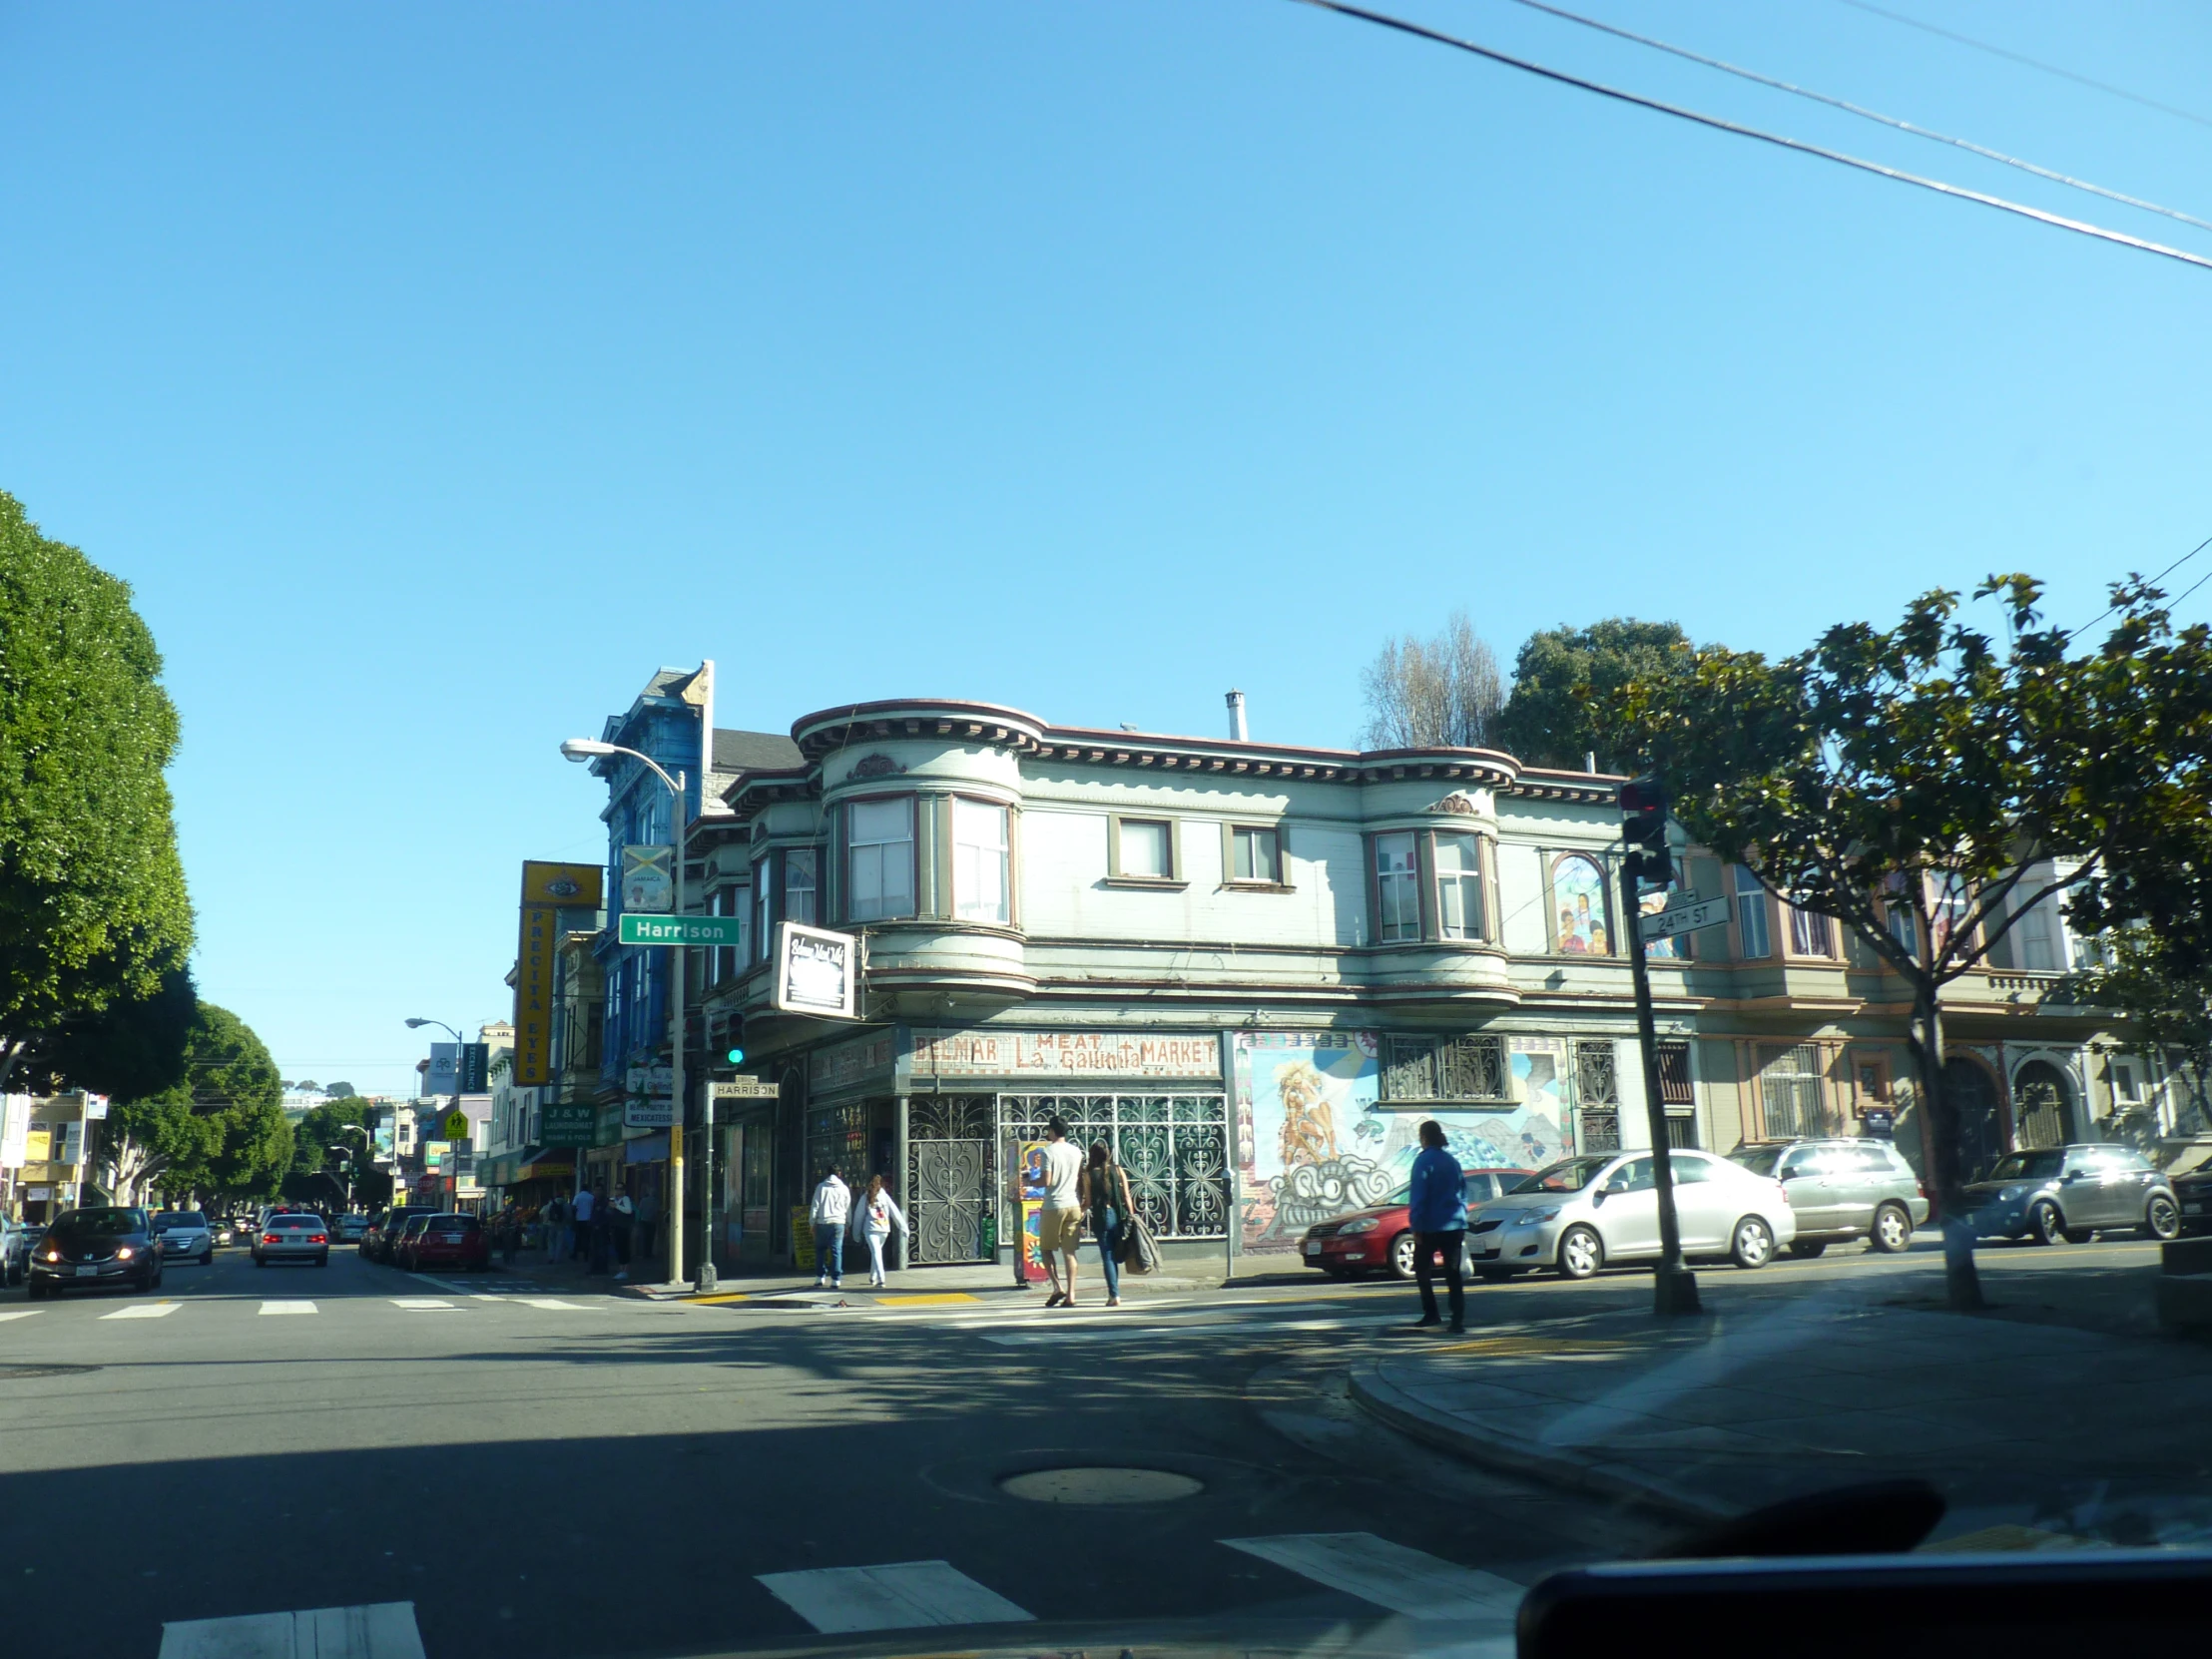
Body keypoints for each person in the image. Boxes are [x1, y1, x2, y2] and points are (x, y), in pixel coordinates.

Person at [1406, 1119, 1468, 1333]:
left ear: (1423, 1138)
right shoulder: (1451, 1161)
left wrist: (1416, 1225)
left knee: (1422, 1269)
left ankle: (1431, 1313)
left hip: (1431, 1226)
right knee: (1453, 1273)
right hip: (1455, 1224)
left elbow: (1419, 1197)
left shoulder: (1423, 1161)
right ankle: (1457, 1319)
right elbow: (1463, 1191)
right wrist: (1462, 1216)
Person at [1078, 1140, 1136, 1309]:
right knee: (1117, 1252)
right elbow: (1126, 1196)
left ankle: (1114, 1294)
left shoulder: (1088, 1175)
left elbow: (1087, 1202)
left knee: (1108, 1257)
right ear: (1108, 1154)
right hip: (1119, 1215)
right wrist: (1132, 1216)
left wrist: (1078, 1214)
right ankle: (1114, 1292)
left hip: (1102, 1218)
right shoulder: (1118, 1170)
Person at [1036, 1116, 1084, 1308]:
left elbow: (1047, 1181)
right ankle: (1071, 1294)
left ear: (1052, 1131)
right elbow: (1079, 1178)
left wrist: (1029, 1181)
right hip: (1073, 1204)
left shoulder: (1049, 1152)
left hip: (1054, 1205)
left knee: (1046, 1249)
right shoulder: (1076, 1151)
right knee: (1069, 1252)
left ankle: (1057, 1286)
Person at [854, 1174, 906, 1289]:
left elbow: (859, 1216)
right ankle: (873, 1276)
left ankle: (881, 1278)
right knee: (876, 1252)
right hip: (884, 1229)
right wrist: (903, 1227)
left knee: (876, 1252)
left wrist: (856, 1233)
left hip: (871, 1229)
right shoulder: (885, 1196)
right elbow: (895, 1212)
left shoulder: (865, 1197)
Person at [809, 1166, 851, 1290]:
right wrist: (848, 1223)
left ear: (827, 1173)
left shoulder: (821, 1187)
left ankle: (819, 1277)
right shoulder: (844, 1189)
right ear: (839, 1173)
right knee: (836, 1251)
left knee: (820, 1250)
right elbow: (847, 1208)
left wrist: (812, 1223)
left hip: (822, 1222)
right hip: (838, 1223)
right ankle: (836, 1279)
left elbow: (815, 1206)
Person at [586, 1182, 612, 1275]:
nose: (597, 1192)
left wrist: (600, 1225)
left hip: (602, 1229)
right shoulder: (593, 1201)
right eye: (595, 1190)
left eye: (599, 1190)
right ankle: (594, 1268)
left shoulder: (605, 1202)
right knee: (593, 1249)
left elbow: (608, 1215)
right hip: (593, 1228)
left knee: (602, 1249)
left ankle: (603, 1269)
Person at [609, 1189, 636, 1281]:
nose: (618, 1191)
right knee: (618, 1248)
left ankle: (625, 1270)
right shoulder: (614, 1200)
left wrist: (616, 1206)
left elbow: (628, 1211)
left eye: (621, 1189)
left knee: (624, 1248)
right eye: (616, 1188)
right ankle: (621, 1269)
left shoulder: (625, 1199)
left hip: (624, 1227)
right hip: (616, 1227)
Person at [570, 1183, 595, 1262]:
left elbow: (573, 1207)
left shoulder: (578, 1196)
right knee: (587, 1238)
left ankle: (575, 1255)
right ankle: (586, 1255)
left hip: (579, 1219)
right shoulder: (591, 1197)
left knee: (578, 1238)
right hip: (588, 1220)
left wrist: (574, 1217)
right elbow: (593, 1207)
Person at [543, 1195, 568, 1264]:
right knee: (559, 1242)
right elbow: (569, 1215)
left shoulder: (551, 1204)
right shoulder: (565, 1204)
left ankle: (551, 1257)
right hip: (561, 1225)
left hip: (551, 1224)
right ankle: (557, 1258)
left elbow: (545, 1213)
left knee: (551, 1242)